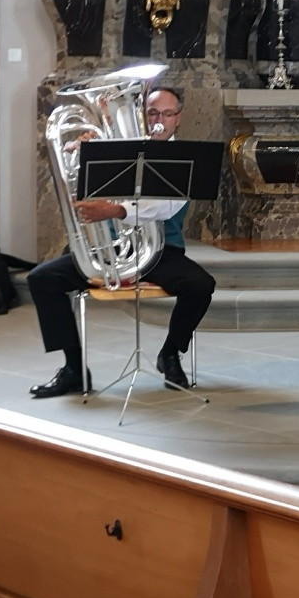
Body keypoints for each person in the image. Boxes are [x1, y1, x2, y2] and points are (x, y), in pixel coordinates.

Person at [28, 87, 216, 398]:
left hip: (160, 252)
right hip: (112, 250)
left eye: (166, 113)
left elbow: (166, 206)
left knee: (200, 284)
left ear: (177, 118)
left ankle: (170, 353)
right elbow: (82, 190)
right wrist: (78, 153)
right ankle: (74, 368)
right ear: (143, 115)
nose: (158, 119)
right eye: (152, 112)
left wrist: (115, 210)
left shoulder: (184, 158)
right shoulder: (115, 148)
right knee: (42, 279)